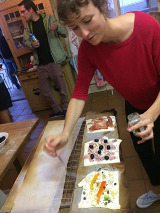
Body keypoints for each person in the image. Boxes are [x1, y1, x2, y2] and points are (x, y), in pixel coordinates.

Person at [44, 0, 160, 209]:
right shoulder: (88, 50)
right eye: (75, 28)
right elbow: (79, 93)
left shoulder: (146, 26)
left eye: (87, 21)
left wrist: (151, 115)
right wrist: (65, 134)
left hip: (157, 103)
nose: (84, 33)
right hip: (135, 105)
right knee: (143, 150)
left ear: (102, 7)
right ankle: (157, 190)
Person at [18, 0, 69, 118]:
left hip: (53, 61)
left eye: (23, 11)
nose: (22, 15)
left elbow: (65, 32)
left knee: (61, 88)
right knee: (44, 91)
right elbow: (26, 40)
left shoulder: (49, 19)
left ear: (31, 9)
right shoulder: (29, 26)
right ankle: (57, 110)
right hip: (40, 64)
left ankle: (65, 109)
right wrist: (32, 44)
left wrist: (57, 28)